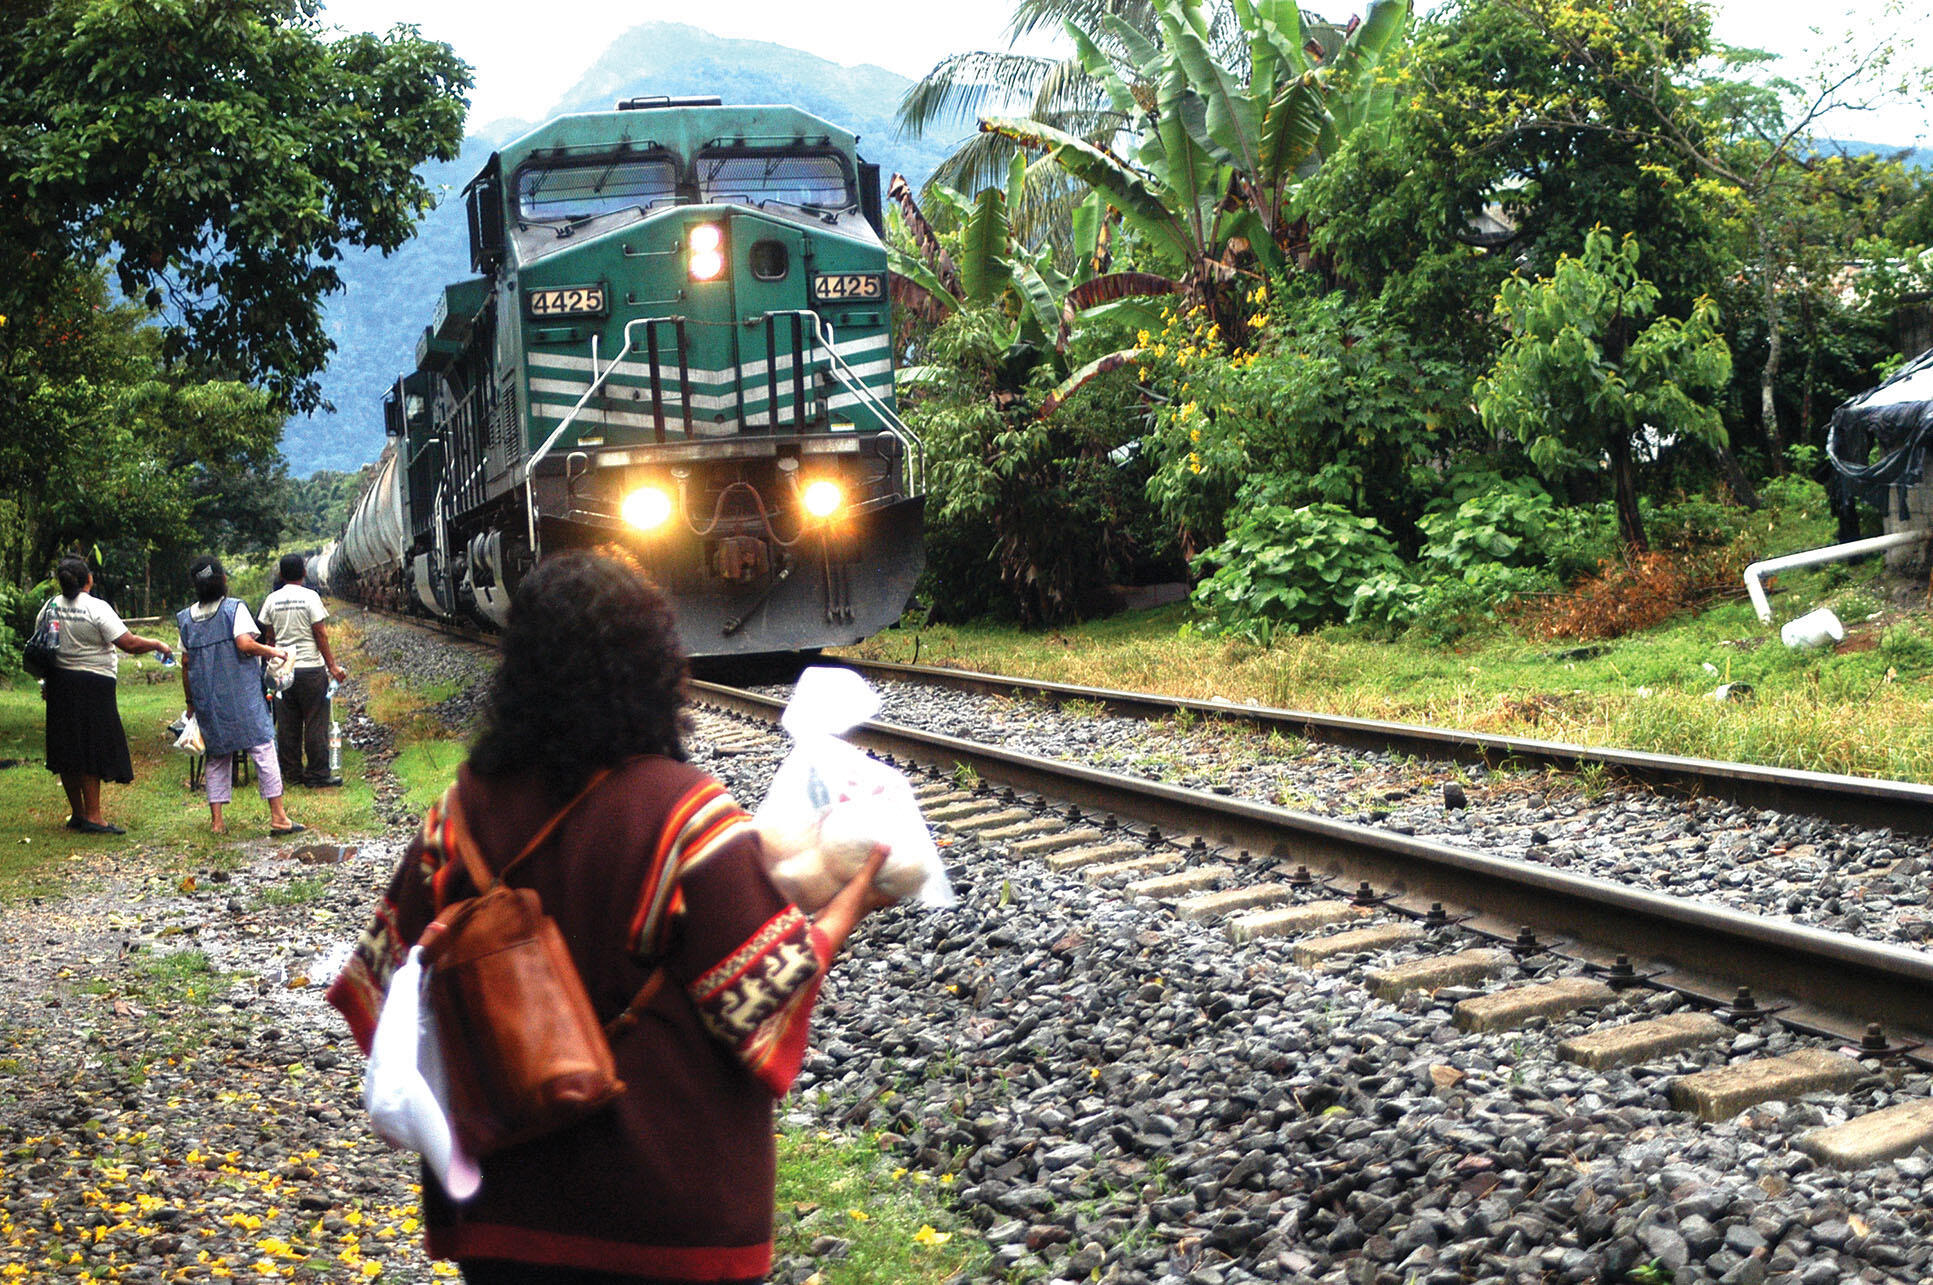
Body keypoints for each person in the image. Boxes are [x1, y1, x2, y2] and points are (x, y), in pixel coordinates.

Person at [326, 549, 897, 1284]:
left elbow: (372, 992)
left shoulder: (457, 817)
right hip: (671, 1222)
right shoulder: (685, 815)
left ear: (518, 670)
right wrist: (849, 901)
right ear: (655, 665)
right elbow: (765, 996)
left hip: (502, 1220)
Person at [39, 556, 174, 835]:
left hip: (60, 683)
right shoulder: (96, 608)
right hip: (93, 685)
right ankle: (95, 816)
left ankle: (77, 813)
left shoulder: (50, 607)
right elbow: (129, 643)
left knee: (67, 747)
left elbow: (41, 642)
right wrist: (157, 643)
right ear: (88, 579)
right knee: (91, 746)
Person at [175, 557, 303, 837]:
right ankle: (279, 818)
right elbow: (244, 643)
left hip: (208, 700)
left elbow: (186, 664)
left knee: (217, 758)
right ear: (222, 580)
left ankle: (217, 822)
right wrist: (275, 652)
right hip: (242, 697)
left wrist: (190, 703)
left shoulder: (185, 618)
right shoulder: (234, 609)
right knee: (263, 749)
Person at [258, 553, 346, 787]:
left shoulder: (272, 600)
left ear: (281, 575)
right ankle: (317, 774)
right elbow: (320, 633)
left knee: (287, 723)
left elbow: (269, 636)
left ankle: (292, 773)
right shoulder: (310, 597)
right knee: (315, 721)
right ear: (305, 572)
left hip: (283, 670)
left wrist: (272, 663)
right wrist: (332, 666)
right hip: (310, 669)